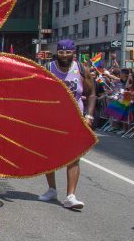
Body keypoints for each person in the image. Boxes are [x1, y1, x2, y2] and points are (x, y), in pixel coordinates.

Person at [39, 39, 95, 210]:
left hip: (75, 119)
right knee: (49, 156)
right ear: (57, 53)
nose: (64, 55)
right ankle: (51, 189)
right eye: (61, 52)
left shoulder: (82, 69)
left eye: (68, 52)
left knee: (74, 156)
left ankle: (71, 196)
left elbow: (92, 94)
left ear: (73, 53)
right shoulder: (48, 68)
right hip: (52, 120)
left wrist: (89, 115)